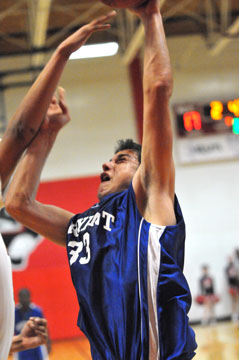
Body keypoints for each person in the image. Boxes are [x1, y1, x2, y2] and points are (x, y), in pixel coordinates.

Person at [5, 0, 197, 358]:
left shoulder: (149, 199)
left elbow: (157, 93)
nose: (105, 166)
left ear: (143, 170)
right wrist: (47, 134)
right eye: (108, 161)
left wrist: (149, 14)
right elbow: (17, 203)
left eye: (121, 159)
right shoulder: (81, 228)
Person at [0, 9, 115, 360]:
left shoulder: (147, 225)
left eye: (122, 159)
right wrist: (62, 54)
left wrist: (13, 343)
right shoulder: (91, 228)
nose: (107, 164)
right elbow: (18, 137)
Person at [14, 288, 51, 360]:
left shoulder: (37, 311)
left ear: (30, 297)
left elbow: (45, 329)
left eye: (26, 297)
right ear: (18, 298)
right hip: (20, 348)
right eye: (22, 297)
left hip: (37, 347)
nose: (24, 299)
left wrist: (48, 344)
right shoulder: (14, 312)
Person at [225, 256, 239, 322]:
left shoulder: (235, 266)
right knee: (233, 301)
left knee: (237, 300)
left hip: (237, 285)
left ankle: (236, 314)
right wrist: (230, 286)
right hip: (231, 286)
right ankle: (234, 315)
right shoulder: (227, 268)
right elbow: (228, 278)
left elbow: (237, 276)